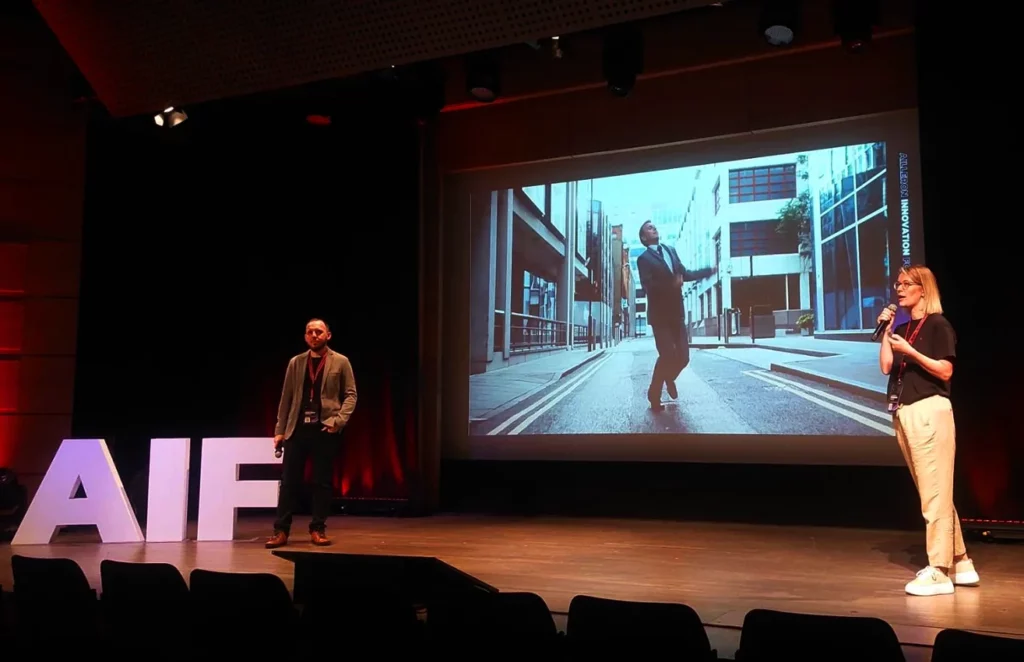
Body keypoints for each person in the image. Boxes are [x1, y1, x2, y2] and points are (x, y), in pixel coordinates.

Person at [877, 265, 978, 596]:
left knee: (934, 494)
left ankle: (939, 570)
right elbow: (886, 366)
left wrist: (912, 353)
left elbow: (945, 371)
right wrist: (890, 330)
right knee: (933, 492)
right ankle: (961, 561)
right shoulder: (905, 327)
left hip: (930, 411)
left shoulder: (938, 325)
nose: (900, 289)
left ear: (924, 289)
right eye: (898, 284)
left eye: (907, 284)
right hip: (905, 411)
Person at [266, 319, 357, 548]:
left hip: (325, 429)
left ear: (328, 335)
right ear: (306, 336)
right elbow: (286, 398)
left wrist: (338, 421)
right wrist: (279, 431)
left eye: (319, 331)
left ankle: (318, 528)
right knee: (289, 483)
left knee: (322, 482)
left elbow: (351, 395)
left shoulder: (341, 361)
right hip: (296, 430)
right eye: (310, 332)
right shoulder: (296, 363)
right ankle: (281, 531)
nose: (314, 335)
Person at [635, 220, 715, 410]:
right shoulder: (643, 259)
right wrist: (671, 284)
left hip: (676, 313)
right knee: (667, 354)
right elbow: (648, 286)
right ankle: (654, 395)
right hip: (660, 315)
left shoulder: (670, 250)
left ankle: (669, 377)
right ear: (644, 238)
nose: (654, 228)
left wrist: (707, 271)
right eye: (649, 228)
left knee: (684, 357)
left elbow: (683, 274)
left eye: (654, 225)